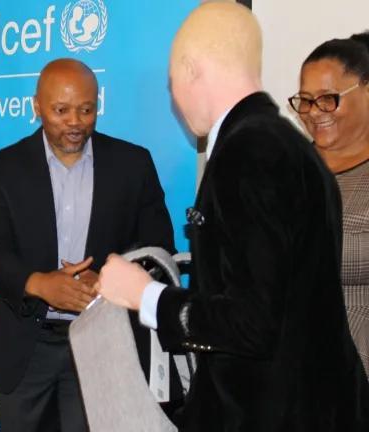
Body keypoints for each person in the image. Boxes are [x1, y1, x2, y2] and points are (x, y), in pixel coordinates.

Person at [96, 2, 369, 431]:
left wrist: (144, 295)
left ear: (190, 69)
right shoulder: (293, 148)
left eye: (171, 83)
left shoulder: (248, 153)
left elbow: (250, 324)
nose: (174, 99)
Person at [0, 58, 178, 431]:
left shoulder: (133, 164)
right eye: (61, 110)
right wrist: (40, 284)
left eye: (86, 110)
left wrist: (108, 282)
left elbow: (159, 249)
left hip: (103, 343)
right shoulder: (2, 168)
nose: (75, 122)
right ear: (37, 107)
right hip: (26, 346)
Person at [290, 38, 369, 377]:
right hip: (284, 375)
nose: (313, 112)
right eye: (305, 101)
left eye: (327, 99)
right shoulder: (284, 167)